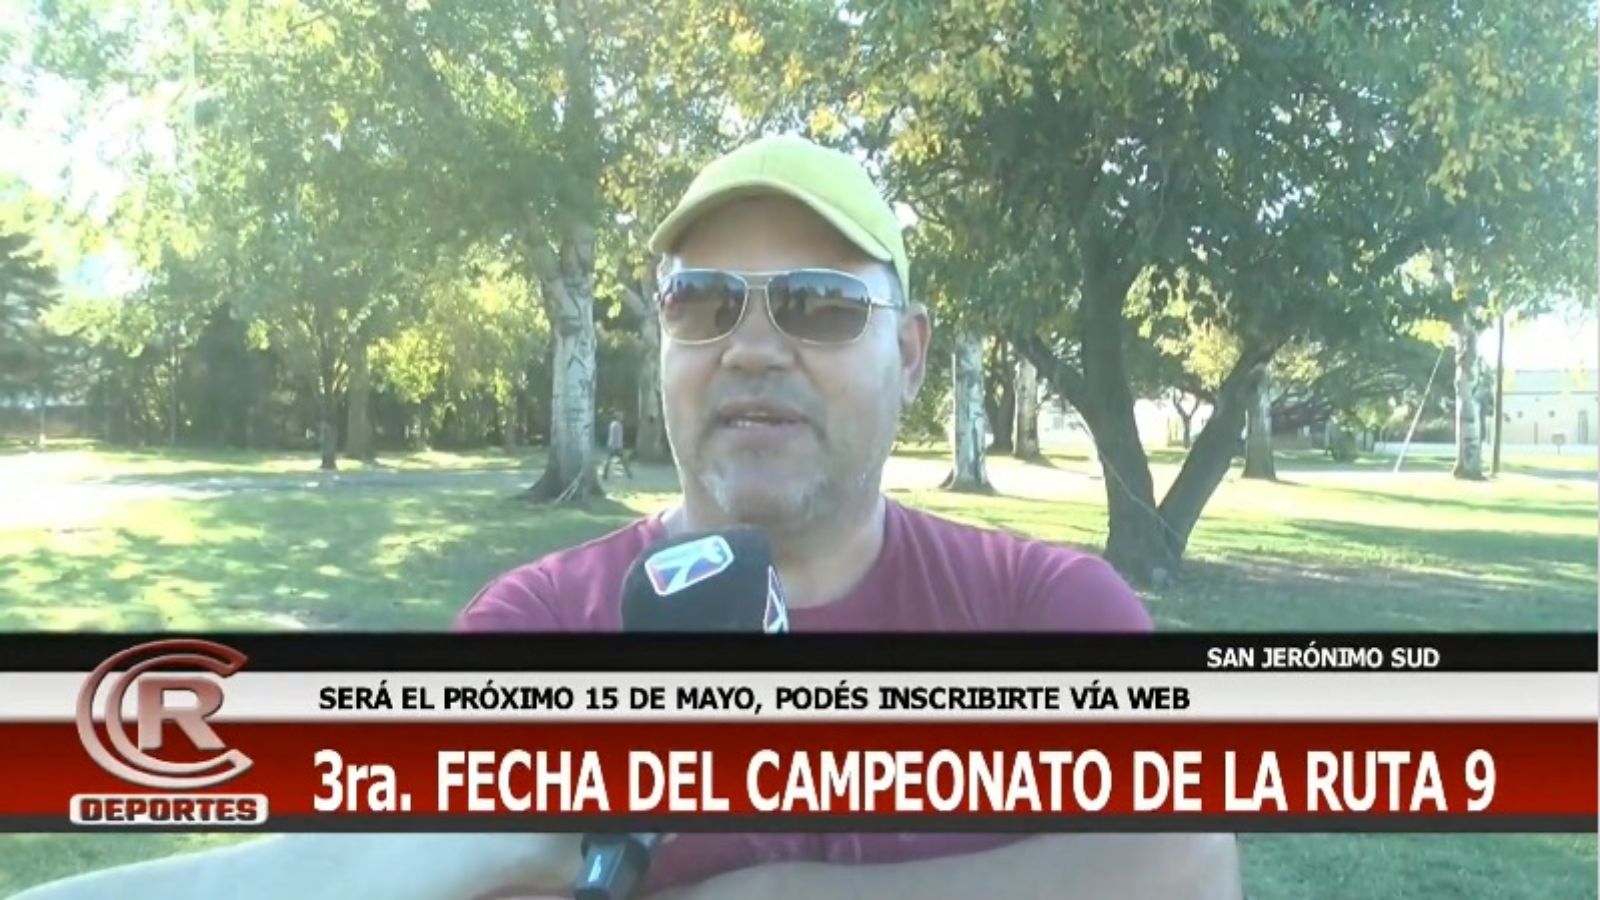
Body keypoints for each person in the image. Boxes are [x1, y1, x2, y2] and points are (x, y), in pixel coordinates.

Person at [11, 135, 1243, 900]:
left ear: (911, 353)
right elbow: (381, 857)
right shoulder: (536, 629)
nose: (751, 347)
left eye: (818, 306)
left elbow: (1185, 865)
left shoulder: (1045, 613)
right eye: (702, 302)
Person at [602, 410, 632, 480]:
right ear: (618, 417)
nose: (622, 417)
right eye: (621, 416)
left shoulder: (612, 424)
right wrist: (618, 446)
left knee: (610, 460)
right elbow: (617, 437)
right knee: (623, 460)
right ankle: (629, 474)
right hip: (616, 446)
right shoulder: (618, 425)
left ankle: (605, 474)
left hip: (612, 445)